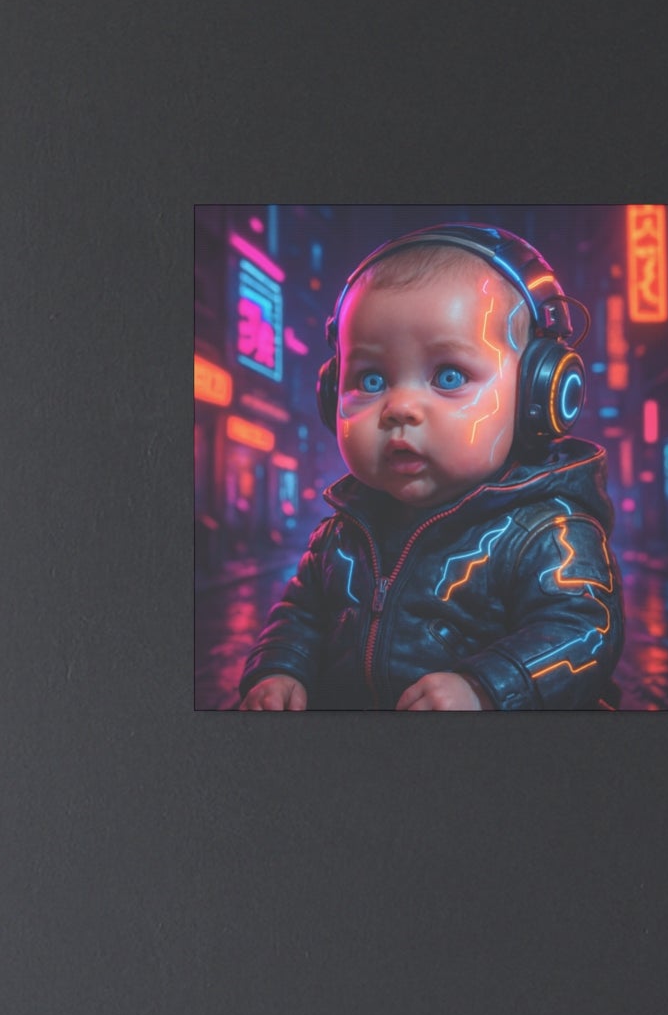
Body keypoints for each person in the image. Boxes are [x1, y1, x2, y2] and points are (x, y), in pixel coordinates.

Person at [237, 226, 623, 710]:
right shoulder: (340, 535)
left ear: (537, 394)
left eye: (448, 376)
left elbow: (582, 632)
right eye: (371, 378)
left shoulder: (549, 534)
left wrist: (485, 688)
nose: (399, 407)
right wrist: (278, 670)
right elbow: (301, 616)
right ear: (331, 391)